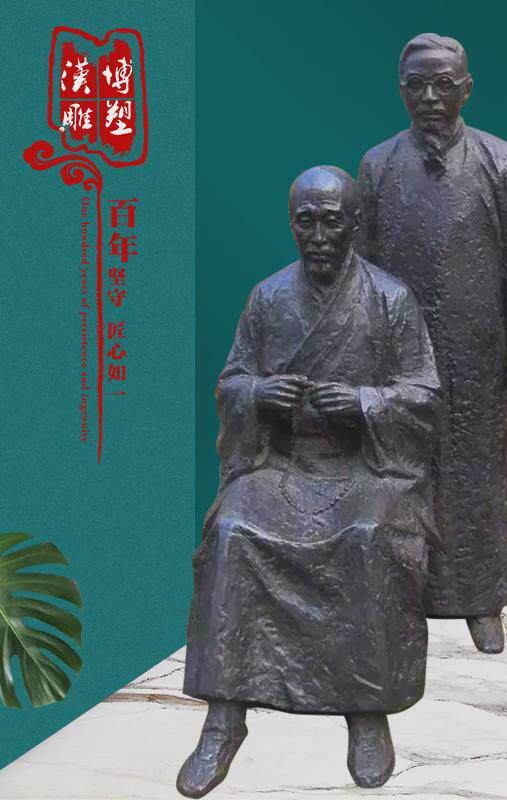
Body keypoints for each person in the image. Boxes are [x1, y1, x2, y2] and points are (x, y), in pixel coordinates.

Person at [178, 166, 440, 797]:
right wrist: (257, 394)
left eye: (331, 221)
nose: (319, 236)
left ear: (354, 225)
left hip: (365, 468)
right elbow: (231, 381)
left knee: (368, 535)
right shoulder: (268, 298)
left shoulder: (390, 299)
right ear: (291, 224)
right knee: (234, 529)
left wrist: (366, 403)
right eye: (306, 222)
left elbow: (424, 394)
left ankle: (366, 712)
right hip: (283, 464)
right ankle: (223, 716)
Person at [357, 33, 507, 654]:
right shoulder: (378, 165)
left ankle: (481, 598)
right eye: (416, 84)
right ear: (400, 90)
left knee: (479, 476)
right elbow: (360, 265)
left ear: (466, 89)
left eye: (443, 83)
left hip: (479, 352)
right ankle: (399, 597)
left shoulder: (500, 161)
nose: (429, 96)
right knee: (398, 474)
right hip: (399, 354)